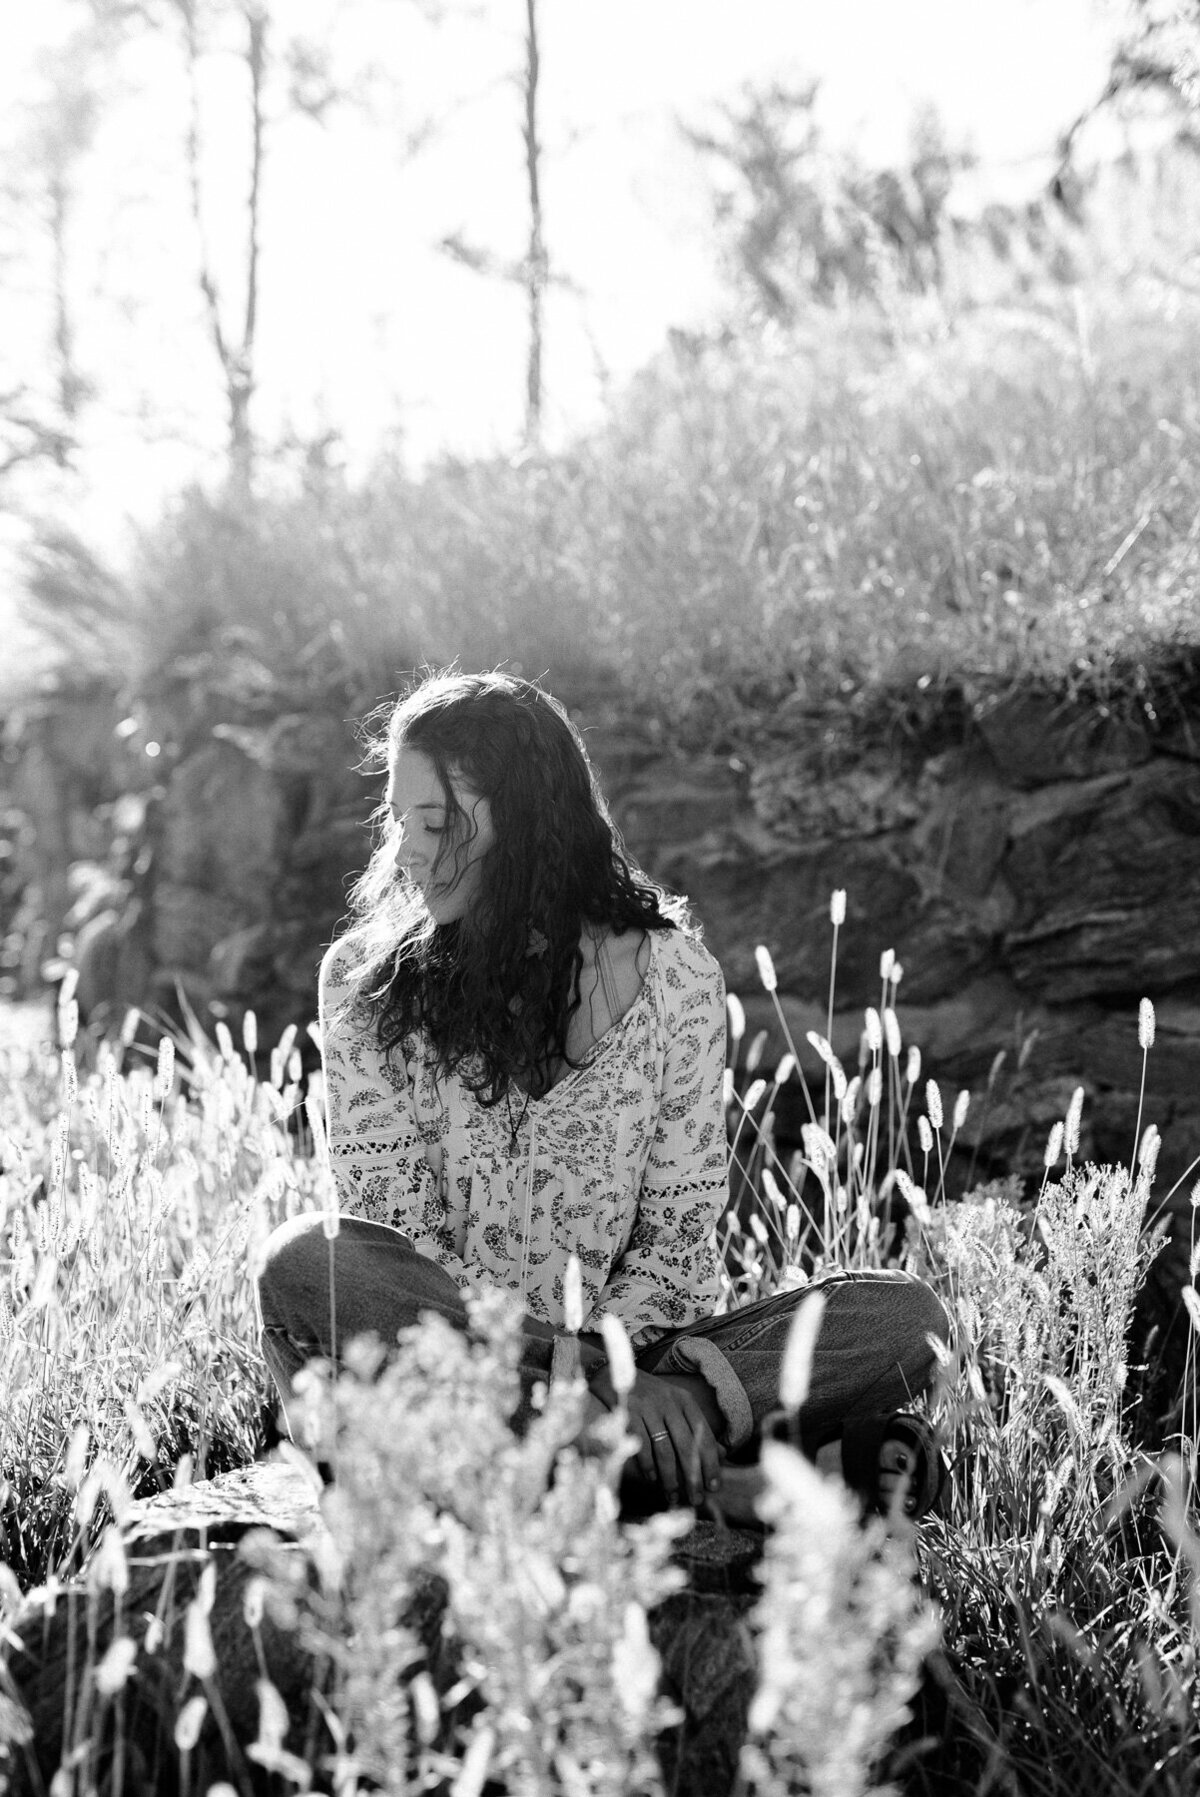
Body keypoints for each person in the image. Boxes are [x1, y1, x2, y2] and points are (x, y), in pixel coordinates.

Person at [256, 670, 949, 1521]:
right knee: (306, 1263)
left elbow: (676, 1239)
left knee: (908, 1317)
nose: (405, 851)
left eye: (435, 821)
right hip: (457, 1367)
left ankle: (608, 1464)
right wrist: (588, 1381)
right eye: (398, 822)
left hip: (645, 1361)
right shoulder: (367, 987)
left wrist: (630, 1371)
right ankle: (722, 1478)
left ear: (529, 820)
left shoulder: (678, 981)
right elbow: (404, 1243)